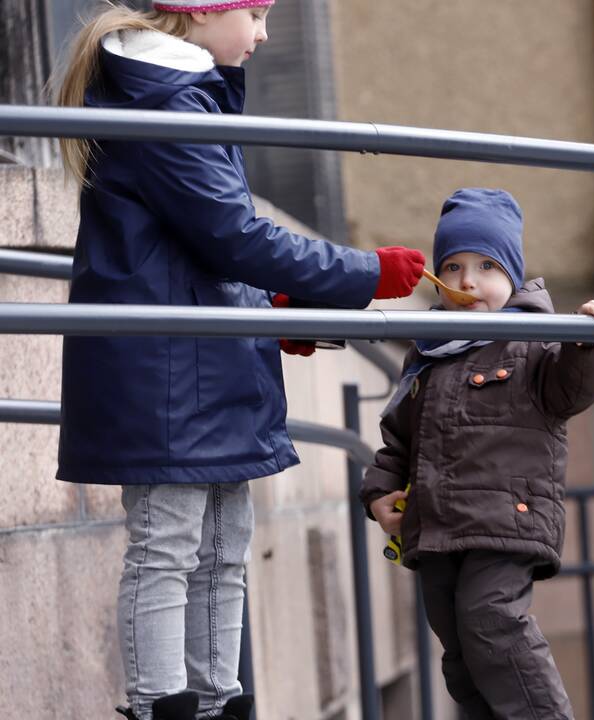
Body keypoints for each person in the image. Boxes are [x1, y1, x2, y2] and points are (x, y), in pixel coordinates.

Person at [52, 2, 425, 719]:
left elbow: (203, 239)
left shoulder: (180, 89)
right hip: (164, 366)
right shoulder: (161, 97)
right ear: (199, 11)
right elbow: (231, 232)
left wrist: (273, 305)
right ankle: (161, 705)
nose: (261, 34)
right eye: (252, 13)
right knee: (169, 545)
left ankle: (217, 701)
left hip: (194, 355)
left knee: (223, 545)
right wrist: (359, 272)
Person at [360, 188, 594, 720]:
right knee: (459, 653)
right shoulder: (429, 351)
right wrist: (379, 493)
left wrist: (590, 338)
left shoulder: (532, 341)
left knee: (492, 621)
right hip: (437, 527)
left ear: (514, 276)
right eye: (452, 267)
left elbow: (573, 388)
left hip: (505, 519)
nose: (466, 282)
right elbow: (400, 438)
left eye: (486, 266)